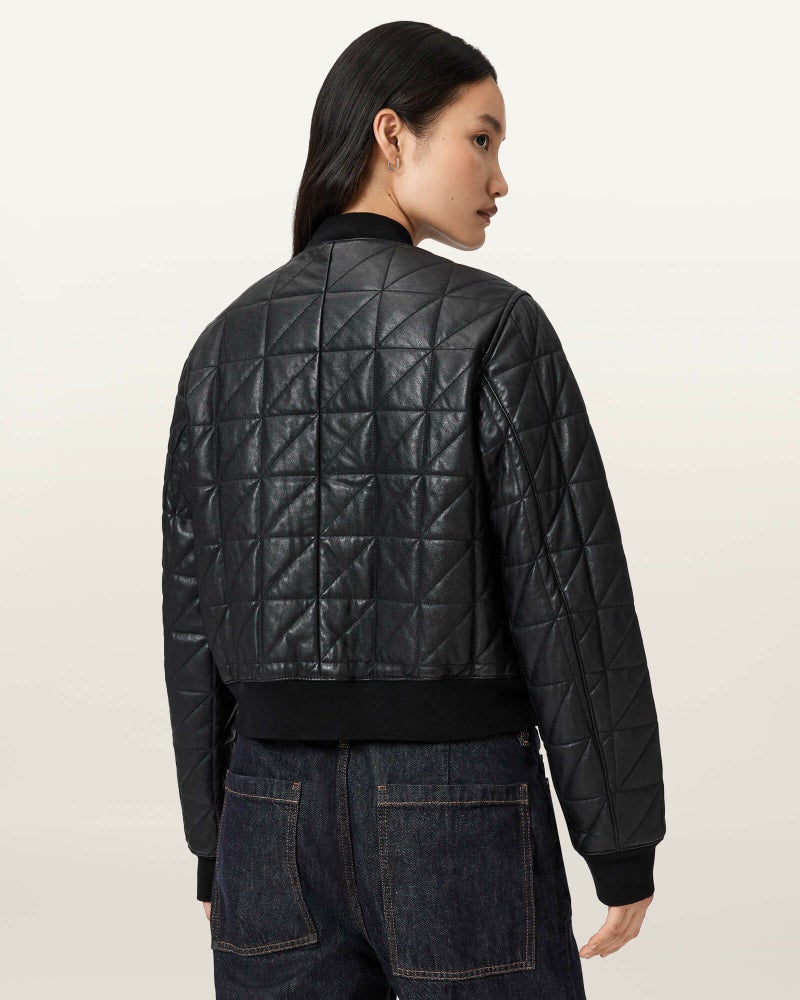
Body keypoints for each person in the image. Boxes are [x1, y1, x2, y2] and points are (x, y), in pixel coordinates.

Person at [161, 20, 666, 999]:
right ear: (391, 134)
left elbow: (193, 620)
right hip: (455, 802)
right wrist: (618, 840)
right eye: (481, 138)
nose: (499, 178)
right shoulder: (494, 325)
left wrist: (214, 844)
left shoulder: (220, 346)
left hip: (266, 807)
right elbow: (569, 598)